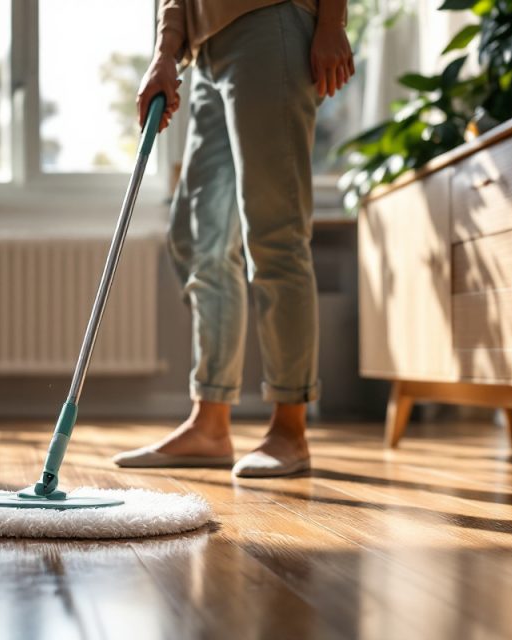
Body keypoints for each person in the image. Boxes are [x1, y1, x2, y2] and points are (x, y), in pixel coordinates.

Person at [114, 0, 354, 477]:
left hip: (272, 19)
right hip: (205, 52)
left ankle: (290, 429)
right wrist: (164, 53)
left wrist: (330, 21)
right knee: (200, 239)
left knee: (274, 233)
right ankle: (210, 424)